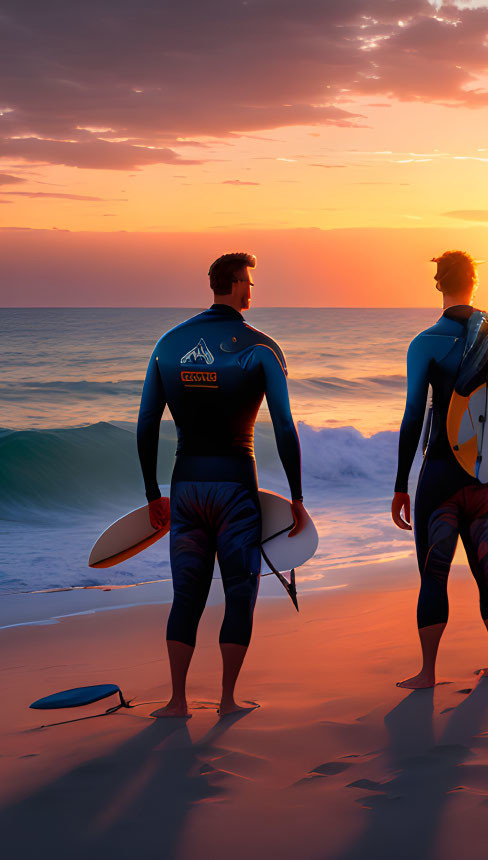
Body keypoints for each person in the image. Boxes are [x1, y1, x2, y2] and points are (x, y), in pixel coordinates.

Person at [137, 252, 309, 717]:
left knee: (187, 595)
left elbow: (147, 422)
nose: (251, 290)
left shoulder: (169, 345)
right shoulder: (261, 348)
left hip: (187, 486)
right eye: (248, 282)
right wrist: (296, 497)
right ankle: (228, 700)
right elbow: (285, 427)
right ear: (233, 285)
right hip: (235, 488)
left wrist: (154, 494)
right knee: (239, 590)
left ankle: (177, 701)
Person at [390, 250, 488, 688]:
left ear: (438, 284)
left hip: (439, 476)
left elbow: (414, 415)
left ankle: (428, 673)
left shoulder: (426, 343)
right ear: (475, 283)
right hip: (483, 477)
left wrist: (400, 485)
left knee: (433, 574)